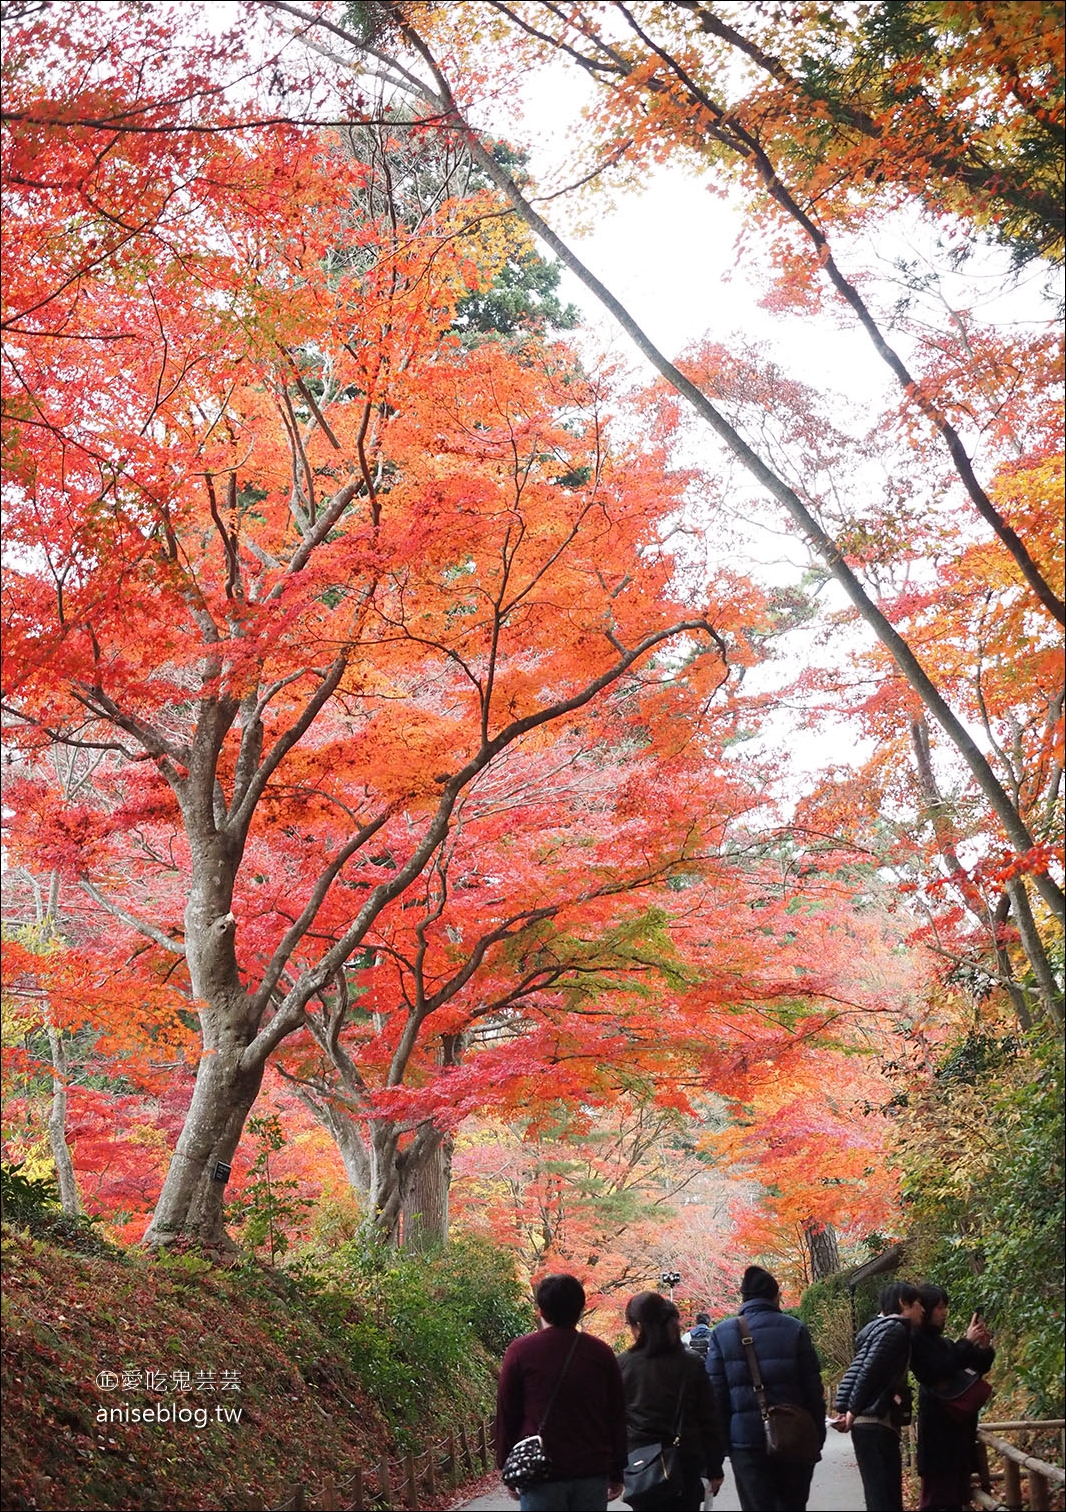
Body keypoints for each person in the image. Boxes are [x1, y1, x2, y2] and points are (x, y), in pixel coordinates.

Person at [495, 1273, 627, 1511]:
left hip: (541, 1470)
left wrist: (507, 1465)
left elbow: (507, 1411)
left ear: (542, 1309)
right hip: (591, 1468)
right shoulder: (600, 1353)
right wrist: (618, 1469)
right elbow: (616, 1413)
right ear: (579, 1308)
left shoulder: (521, 1351)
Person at [706, 1265, 826, 1512]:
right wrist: (817, 1436)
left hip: (746, 1442)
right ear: (776, 1295)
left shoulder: (722, 1334)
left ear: (744, 1297)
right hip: (793, 1437)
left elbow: (716, 1398)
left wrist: (722, 1448)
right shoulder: (795, 1329)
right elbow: (813, 1390)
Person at [617, 1292, 725, 1511]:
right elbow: (710, 1420)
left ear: (637, 1325)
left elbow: (614, 1422)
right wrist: (714, 1468)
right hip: (686, 1462)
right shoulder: (690, 1363)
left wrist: (613, 1471)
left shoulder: (623, 1365)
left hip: (642, 1466)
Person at [831, 1280, 924, 1511]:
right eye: (918, 1304)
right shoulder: (895, 1330)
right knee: (885, 1498)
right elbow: (869, 1372)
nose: (923, 1310)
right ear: (903, 1303)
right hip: (876, 1422)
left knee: (878, 1497)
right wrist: (851, 1411)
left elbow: (858, 1369)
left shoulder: (876, 1329)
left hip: (868, 1423)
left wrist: (844, 1407)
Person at [910, 1284, 995, 1512]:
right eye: (938, 1307)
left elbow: (969, 1369)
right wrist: (965, 1343)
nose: (943, 1312)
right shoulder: (916, 1342)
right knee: (938, 1500)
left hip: (958, 1433)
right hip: (938, 1435)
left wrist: (983, 1348)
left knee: (957, 1498)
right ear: (925, 1309)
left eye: (944, 1307)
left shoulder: (945, 1343)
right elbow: (937, 1370)